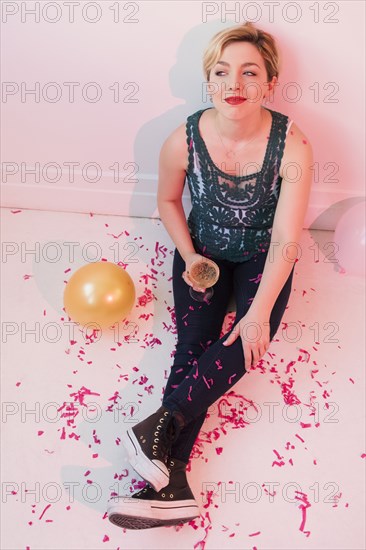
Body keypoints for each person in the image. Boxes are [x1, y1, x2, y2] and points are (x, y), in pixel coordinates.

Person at [108, 21, 313, 530]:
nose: (234, 84)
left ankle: (159, 429)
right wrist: (188, 253)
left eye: (249, 72)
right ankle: (171, 482)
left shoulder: (293, 145)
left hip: (263, 257)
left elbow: (288, 237)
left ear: (269, 82)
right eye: (221, 72)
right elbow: (167, 200)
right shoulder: (184, 137)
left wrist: (258, 313)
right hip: (202, 255)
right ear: (208, 81)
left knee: (246, 340)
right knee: (192, 346)